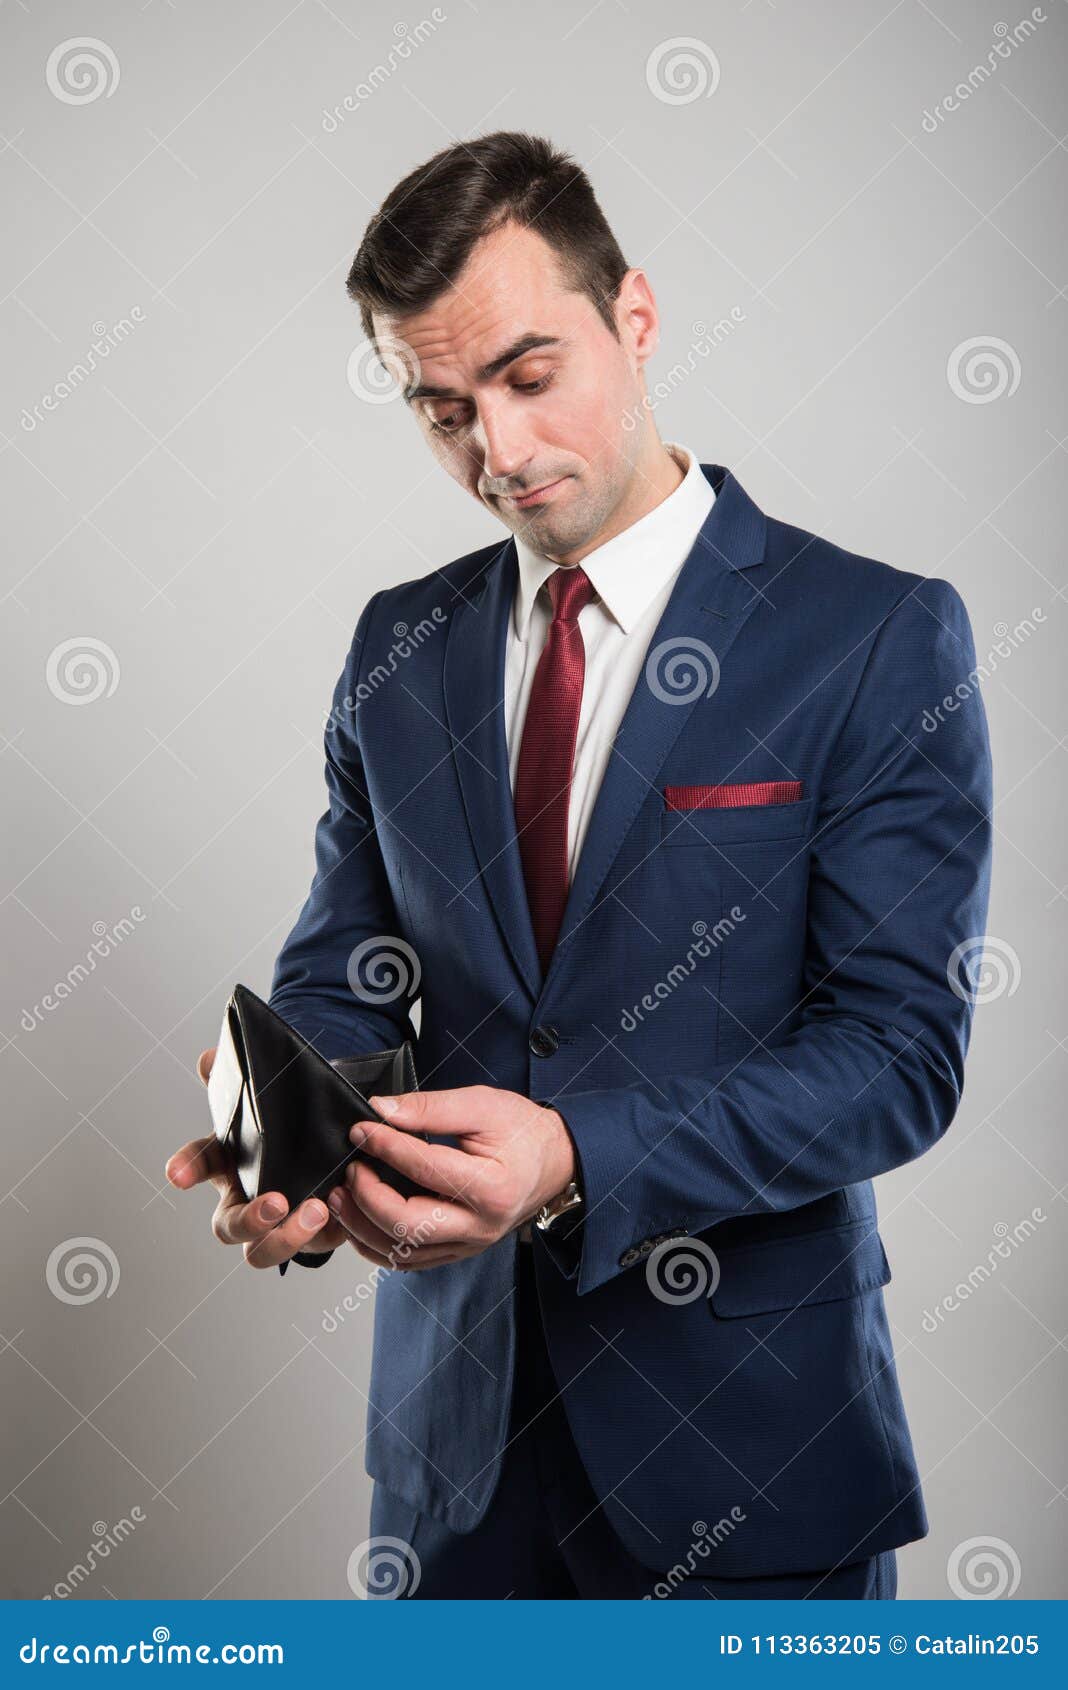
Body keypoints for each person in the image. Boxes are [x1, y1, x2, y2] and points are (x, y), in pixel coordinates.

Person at [166, 131, 992, 1600]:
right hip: (454, 1461)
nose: (496, 453)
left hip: (750, 1458)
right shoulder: (397, 648)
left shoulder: (869, 636)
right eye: (439, 410)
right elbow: (348, 972)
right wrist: (297, 1142)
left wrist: (575, 1159)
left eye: (528, 376)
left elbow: (896, 1055)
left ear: (637, 317)